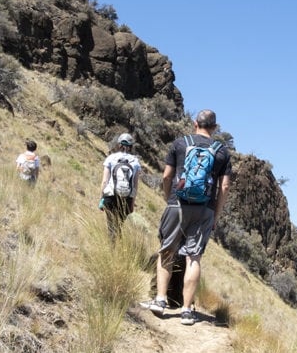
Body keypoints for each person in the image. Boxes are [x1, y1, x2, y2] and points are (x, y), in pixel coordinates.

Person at [145, 109, 232, 326]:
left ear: (195, 123)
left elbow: (166, 176)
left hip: (178, 203)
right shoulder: (221, 151)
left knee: (167, 250)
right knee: (193, 258)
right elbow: (225, 186)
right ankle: (186, 310)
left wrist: (169, 197)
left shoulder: (179, 143)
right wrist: (216, 215)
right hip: (205, 210)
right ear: (214, 127)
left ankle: (160, 300)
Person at [99, 132, 142, 241]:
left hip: (110, 196)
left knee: (111, 225)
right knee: (119, 226)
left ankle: (112, 249)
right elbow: (135, 185)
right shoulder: (135, 162)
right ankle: (118, 249)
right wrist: (132, 203)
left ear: (118, 144)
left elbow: (105, 181)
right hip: (126, 198)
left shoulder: (111, 158)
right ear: (131, 146)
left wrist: (101, 198)